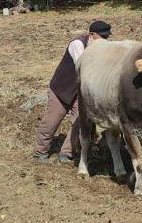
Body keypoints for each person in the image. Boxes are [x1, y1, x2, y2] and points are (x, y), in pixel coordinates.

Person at [32, 20, 112, 164]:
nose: (105, 41)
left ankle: (66, 153)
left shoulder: (102, 47)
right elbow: (83, 66)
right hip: (62, 89)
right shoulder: (77, 44)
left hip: (80, 93)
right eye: (103, 37)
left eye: (107, 37)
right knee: (52, 121)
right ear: (92, 35)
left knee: (80, 123)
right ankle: (40, 153)